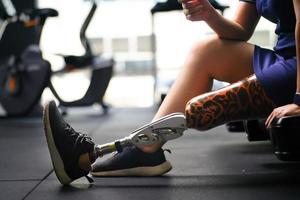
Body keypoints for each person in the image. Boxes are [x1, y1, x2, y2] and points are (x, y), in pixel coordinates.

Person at [43, 0, 300, 185]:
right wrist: (209, 14)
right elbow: (240, 30)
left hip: (297, 71)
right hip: (285, 59)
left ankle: (99, 152)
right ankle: (145, 150)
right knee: (206, 49)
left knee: (201, 111)